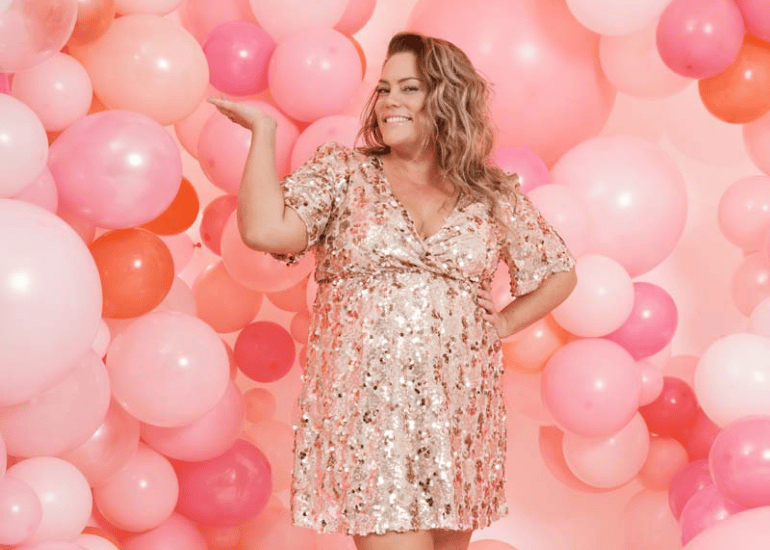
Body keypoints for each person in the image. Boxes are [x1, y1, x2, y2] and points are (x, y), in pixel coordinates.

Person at [208, 32, 577, 550]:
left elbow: (558, 271)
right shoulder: (344, 172)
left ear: (445, 98)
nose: (388, 102)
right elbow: (266, 231)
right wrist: (263, 133)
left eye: (408, 88)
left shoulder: (489, 192)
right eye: (383, 89)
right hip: (370, 415)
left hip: (461, 412)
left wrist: (504, 324)